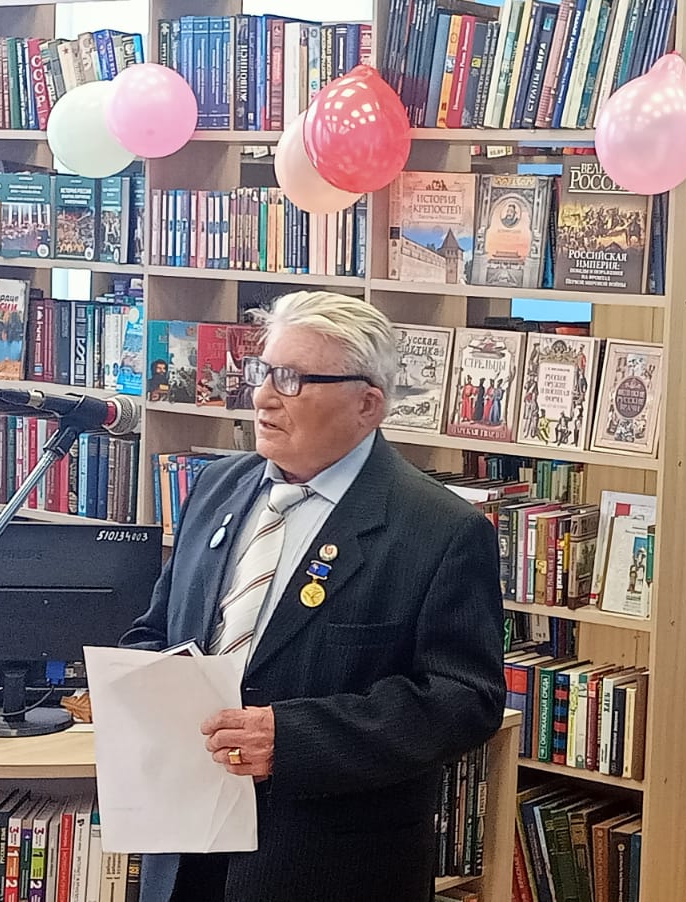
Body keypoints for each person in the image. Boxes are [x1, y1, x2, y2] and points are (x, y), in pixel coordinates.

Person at [119, 291, 505, 902]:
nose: (263, 397)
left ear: (367, 404)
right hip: (184, 845)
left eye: (293, 379)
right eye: (263, 371)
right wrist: (136, 687)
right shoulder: (216, 486)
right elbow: (160, 628)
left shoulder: (441, 530)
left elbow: (464, 700)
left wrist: (293, 740)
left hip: (324, 860)